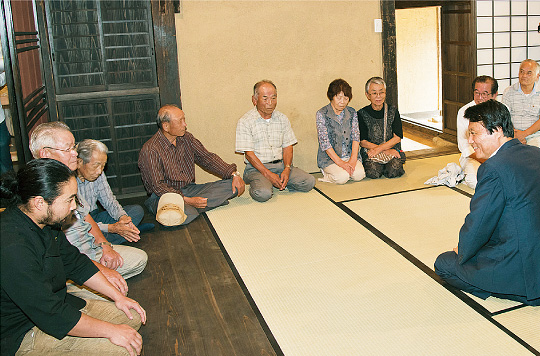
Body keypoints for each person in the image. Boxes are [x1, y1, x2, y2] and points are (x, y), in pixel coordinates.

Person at [0, 159, 146, 356]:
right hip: (23, 331)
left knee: (131, 317)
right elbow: (49, 312)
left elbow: (75, 263)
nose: (74, 207)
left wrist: (117, 297)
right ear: (39, 202)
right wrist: (111, 331)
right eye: (69, 199)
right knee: (121, 349)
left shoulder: (45, 221)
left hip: (58, 306)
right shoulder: (12, 246)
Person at [434, 100, 540, 306]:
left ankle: (525, 293)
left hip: (521, 261)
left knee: (445, 263)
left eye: (474, 133)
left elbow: (479, 223)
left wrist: (463, 250)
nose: (471, 140)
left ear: (497, 130)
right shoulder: (536, 154)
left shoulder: (493, 168)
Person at [29, 122, 147, 284]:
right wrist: (97, 270)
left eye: (74, 148)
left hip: (91, 247)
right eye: (68, 149)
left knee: (139, 258)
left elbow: (91, 212)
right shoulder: (41, 192)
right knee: (116, 293)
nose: (74, 154)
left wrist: (105, 244)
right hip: (73, 262)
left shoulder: (66, 179)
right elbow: (63, 253)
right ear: (45, 154)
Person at [138, 104, 245, 225]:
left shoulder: (186, 138)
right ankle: (195, 206)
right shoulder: (151, 149)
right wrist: (188, 201)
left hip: (190, 189)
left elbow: (207, 158)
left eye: (184, 119)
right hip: (164, 196)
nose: (185, 124)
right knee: (185, 213)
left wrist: (234, 174)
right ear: (166, 126)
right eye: (180, 121)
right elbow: (158, 186)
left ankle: (193, 207)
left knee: (233, 186)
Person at [236, 80, 315, 202]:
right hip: (257, 169)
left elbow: (288, 146)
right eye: (265, 98)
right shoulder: (245, 121)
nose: (270, 103)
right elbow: (249, 154)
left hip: (280, 165)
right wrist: (268, 174)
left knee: (309, 182)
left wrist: (287, 168)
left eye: (274, 98)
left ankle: (278, 182)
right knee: (263, 194)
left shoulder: (282, 118)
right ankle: (266, 183)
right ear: (254, 100)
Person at [76, 139, 154, 245]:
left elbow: (109, 200)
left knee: (136, 211)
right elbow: (79, 223)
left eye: (103, 166)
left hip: (95, 216)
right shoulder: (69, 181)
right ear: (80, 162)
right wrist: (111, 228)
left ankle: (126, 231)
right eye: (96, 165)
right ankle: (132, 232)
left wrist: (123, 218)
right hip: (80, 222)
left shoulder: (99, 173)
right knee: (82, 235)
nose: (99, 171)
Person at [316, 79, 365, 184]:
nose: (342, 102)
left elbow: (356, 137)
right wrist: (341, 163)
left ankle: (343, 171)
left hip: (349, 155)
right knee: (342, 178)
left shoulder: (352, 113)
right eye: (339, 98)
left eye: (346, 98)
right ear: (331, 97)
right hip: (330, 158)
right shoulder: (322, 113)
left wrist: (352, 160)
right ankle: (327, 174)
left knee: (359, 175)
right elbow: (325, 143)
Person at [357, 77, 405, 179]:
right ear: (367, 95)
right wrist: (383, 151)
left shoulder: (393, 111)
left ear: (385, 93)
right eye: (374, 93)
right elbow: (363, 142)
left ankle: (387, 166)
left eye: (381, 92)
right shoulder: (362, 113)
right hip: (371, 152)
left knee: (394, 171)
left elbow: (397, 137)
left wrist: (380, 149)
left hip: (391, 150)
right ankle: (381, 166)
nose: (378, 96)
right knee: (373, 173)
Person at [456, 76, 498, 189]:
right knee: (475, 181)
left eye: (485, 94)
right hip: (473, 156)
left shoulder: (502, 111)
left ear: (494, 95)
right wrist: (486, 160)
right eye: (477, 93)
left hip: (498, 157)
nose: (480, 98)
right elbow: (464, 146)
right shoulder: (464, 112)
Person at [502, 59, 540, 147]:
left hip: (535, 135)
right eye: (521, 72)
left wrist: (524, 134)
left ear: (537, 76)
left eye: (529, 73)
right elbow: (505, 116)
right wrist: (515, 135)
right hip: (512, 135)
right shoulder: (509, 91)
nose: (524, 76)